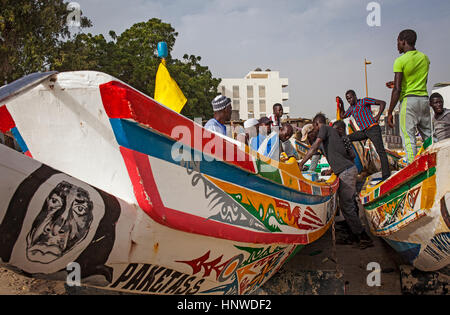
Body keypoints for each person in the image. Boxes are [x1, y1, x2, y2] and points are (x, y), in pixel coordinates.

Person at [298, 113, 373, 249]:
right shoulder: (329, 139)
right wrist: (332, 170)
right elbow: (340, 155)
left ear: (316, 125)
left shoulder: (325, 129)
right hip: (346, 171)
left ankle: (363, 237)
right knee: (347, 206)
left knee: (347, 206)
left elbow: (314, 147)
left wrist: (301, 163)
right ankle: (354, 236)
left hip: (347, 172)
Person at [386, 29, 432, 164]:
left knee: (408, 137)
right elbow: (419, 80)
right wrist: (395, 83)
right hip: (424, 99)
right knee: (428, 136)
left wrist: (389, 112)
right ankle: (434, 162)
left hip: (408, 101)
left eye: (398, 42)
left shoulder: (400, 61)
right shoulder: (425, 58)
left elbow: (397, 89)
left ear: (403, 41)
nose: (397, 45)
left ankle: (412, 166)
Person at [338, 90, 391, 180]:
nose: (349, 100)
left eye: (350, 98)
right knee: (346, 138)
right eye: (347, 99)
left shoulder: (364, 101)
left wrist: (378, 116)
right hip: (364, 131)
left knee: (380, 151)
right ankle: (350, 162)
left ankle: (386, 175)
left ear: (355, 96)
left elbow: (383, 103)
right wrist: (341, 104)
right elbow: (342, 116)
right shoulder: (351, 108)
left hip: (373, 128)